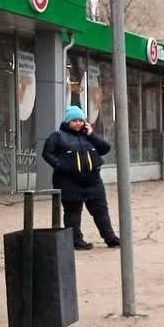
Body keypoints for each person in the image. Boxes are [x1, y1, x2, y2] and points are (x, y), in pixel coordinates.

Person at [42, 104, 120, 250]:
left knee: (101, 211)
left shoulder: (88, 136)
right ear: (67, 122)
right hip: (69, 182)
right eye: (74, 120)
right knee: (73, 213)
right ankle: (76, 240)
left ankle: (110, 238)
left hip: (93, 181)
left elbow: (105, 148)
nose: (78, 123)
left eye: (81, 120)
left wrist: (91, 134)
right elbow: (47, 154)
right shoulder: (57, 136)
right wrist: (62, 165)